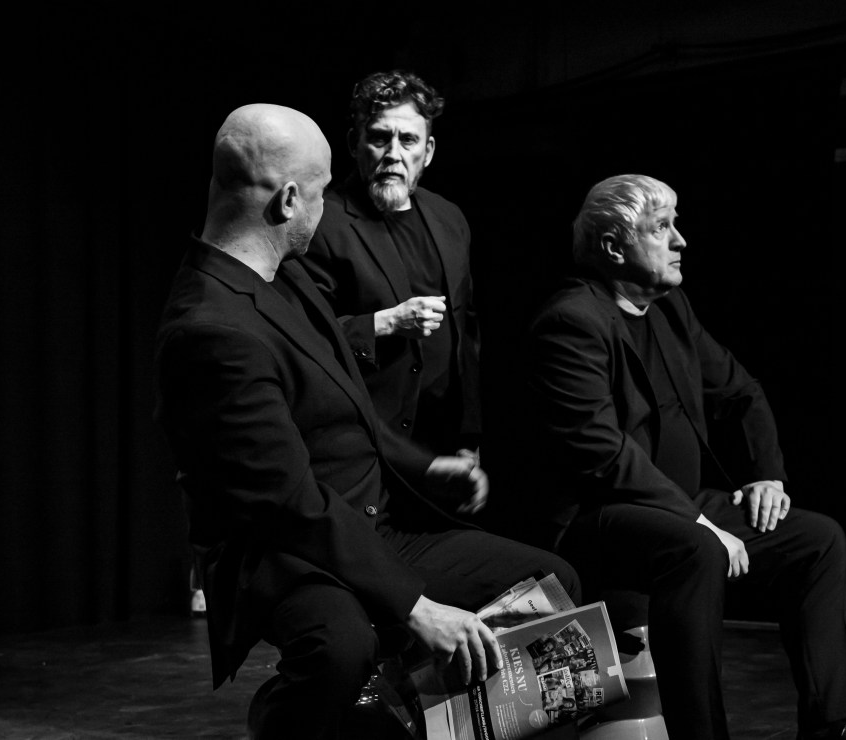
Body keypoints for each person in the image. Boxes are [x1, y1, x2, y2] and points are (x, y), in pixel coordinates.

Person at [154, 104, 580, 739]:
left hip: (363, 523)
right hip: (282, 550)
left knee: (550, 582)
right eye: (322, 192)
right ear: (289, 200)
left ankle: (430, 717)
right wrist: (416, 607)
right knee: (341, 647)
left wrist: (427, 466)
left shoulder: (285, 281)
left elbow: (346, 410)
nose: (327, 209)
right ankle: (286, 719)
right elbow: (288, 503)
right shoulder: (211, 327)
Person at [519, 174, 846, 740]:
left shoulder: (670, 309)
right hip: (597, 520)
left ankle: (834, 724)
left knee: (816, 538)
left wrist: (767, 476)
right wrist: (700, 521)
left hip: (680, 508)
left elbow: (741, 392)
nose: (680, 240)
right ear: (614, 247)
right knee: (696, 548)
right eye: (661, 227)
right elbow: (601, 454)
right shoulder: (572, 321)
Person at [301, 70, 480, 458]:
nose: (394, 154)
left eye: (408, 140)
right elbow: (302, 339)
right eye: (380, 138)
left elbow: (467, 332)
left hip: (443, 441)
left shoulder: (449, 217)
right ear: (355, 143)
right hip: (366, 445)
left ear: (427, 152)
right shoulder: (321, 223)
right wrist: (387, 322)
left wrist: (469, 436)